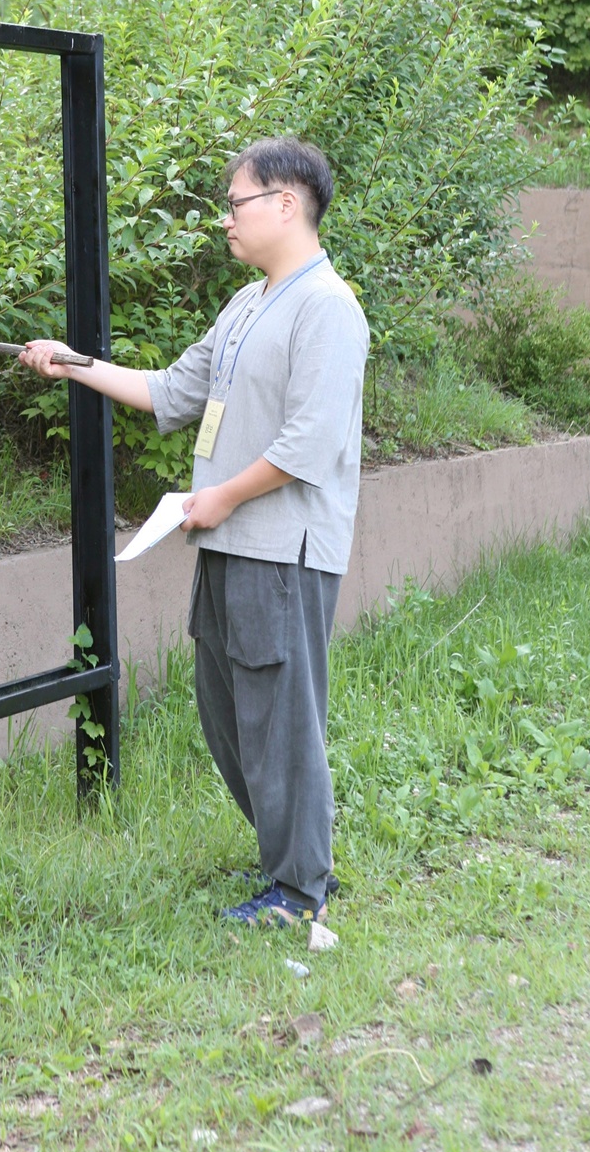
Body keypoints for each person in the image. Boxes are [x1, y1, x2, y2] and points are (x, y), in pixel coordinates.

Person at [20, 136, 368, 929]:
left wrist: (221, 499)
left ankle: (299, 890)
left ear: (287, 203)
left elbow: (309, 444)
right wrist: (71, 363)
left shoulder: (328, 309)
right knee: (227, 711)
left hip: (281, 550)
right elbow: (171, 392)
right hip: (227, 544)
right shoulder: (247, 305)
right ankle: (294, 861)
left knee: (280, 716)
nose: (225, 221)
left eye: (237, 203)